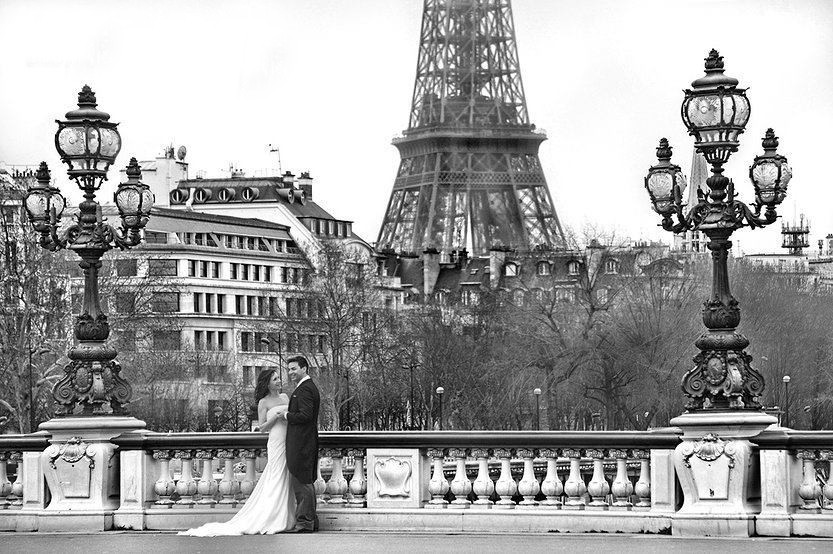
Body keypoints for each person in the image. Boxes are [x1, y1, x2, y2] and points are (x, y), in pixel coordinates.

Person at [178, 369, 295, 536]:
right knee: (276, 476)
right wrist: (275, 418)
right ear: (268, 383)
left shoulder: (285, 398)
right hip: (276, 441)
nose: (278, 381)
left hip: (288, 439)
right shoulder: (263, 402)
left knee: (286, 476)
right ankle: (272, 516)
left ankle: (286, 515)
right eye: (275, 379)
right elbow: (261, 428)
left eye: (278, 378)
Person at [282, 355, 321, 533]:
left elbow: (305, 416)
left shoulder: (304, 389)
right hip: (306, 441)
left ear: (304, 368)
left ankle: (305, 523)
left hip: (302, 443)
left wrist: (286, 415)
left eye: (294, 368)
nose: (290, 372)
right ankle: (310, 521)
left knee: (302, 481)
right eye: (289, 369)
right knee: (305, 481)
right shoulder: (307, 387)